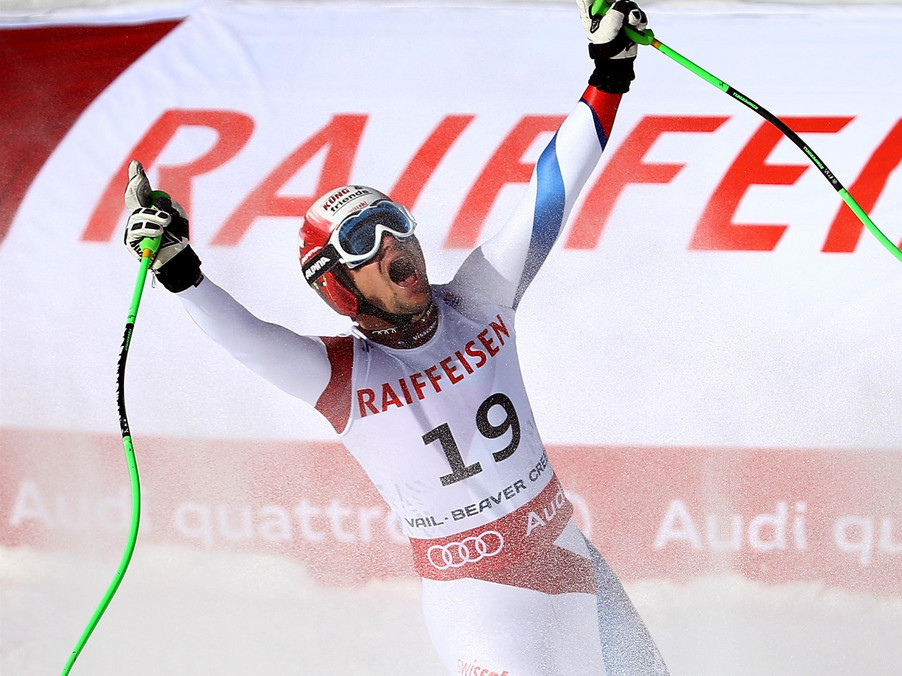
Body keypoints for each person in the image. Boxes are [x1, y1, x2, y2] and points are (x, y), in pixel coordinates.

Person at [122, 2, 669, 674]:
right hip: (484, 609)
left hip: (571, 562)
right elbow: (249, 339)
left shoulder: (480, 298)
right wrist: (180, 271)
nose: (392, 244)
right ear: (337, 285)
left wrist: (608, 76)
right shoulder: (345, 376)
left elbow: (551, 188)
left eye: (395, 223)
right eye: (363, 241)